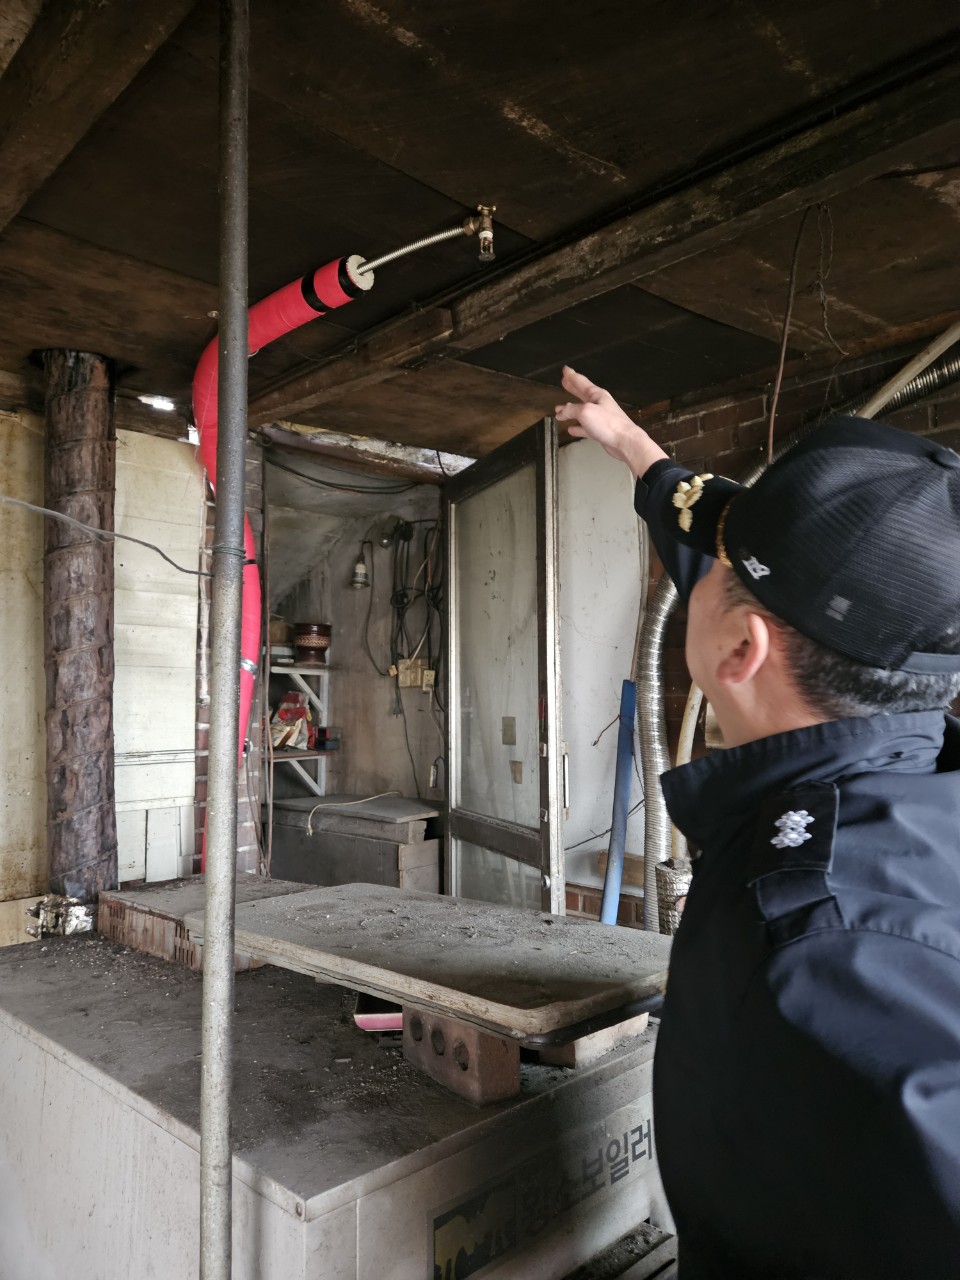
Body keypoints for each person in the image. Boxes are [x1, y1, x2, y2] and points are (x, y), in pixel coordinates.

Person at [555, 366, 960, 1280]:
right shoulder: (921, 760)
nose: (697, 565)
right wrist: (632, 446)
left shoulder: (834, 947)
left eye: (722, 568)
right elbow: (708, 531)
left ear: (743, 648)